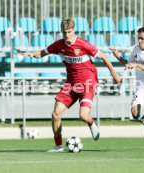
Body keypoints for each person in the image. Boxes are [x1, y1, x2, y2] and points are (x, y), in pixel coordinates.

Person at [23, 18, 122, 152]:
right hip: (70, 84)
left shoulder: (83, 44)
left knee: (83, 116)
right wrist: (31, 54)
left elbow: (104, 56)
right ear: (61, 32)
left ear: (74, 30)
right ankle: (58, 146)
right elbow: (42, 53)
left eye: (69, 32)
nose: (67, 35)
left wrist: (114, 75)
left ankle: (91, 123)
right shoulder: (58, 45)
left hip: (88, 83)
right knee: (55, 114)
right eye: (64, 32)